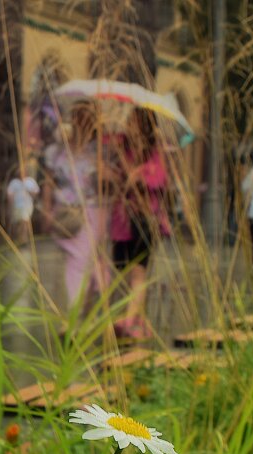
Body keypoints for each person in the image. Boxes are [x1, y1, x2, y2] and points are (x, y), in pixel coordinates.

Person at [109, 109, 169, 339]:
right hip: (121, 220)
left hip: (144, 218)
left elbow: (159, 179)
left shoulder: (154, 152)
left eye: (134, 121)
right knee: (122, 270)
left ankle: (130, 318)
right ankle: (138, 322)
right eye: (128, 121)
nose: (129, 125)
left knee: (138, 272)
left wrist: (139, 173)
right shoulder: (120, 147)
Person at [42, 101, 108, 310]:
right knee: (83, 261)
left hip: (91, 211)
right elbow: (48, 181)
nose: (81, 121)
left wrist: (101, 169)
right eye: (78, 116)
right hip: (64, 211)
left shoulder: (99, 151)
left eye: (86, 117)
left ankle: (72, 316)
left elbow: (111, 182)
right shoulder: (58, 150)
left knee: (77, 262)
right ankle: (93, 297)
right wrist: (46, 208)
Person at [6, 167, 40, 242]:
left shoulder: (30, 181)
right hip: (17, 206)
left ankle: (23, 238)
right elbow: (10, 194)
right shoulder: (14, 182)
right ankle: (18, 238)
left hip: (27, 205)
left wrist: (29, 191)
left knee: (25, 220)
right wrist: (10, 206)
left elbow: (36, 193)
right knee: (17, 222)